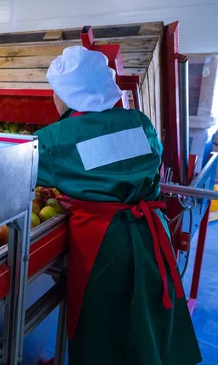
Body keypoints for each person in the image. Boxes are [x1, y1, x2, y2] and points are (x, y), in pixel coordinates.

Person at [35, 46, 201, 364]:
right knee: (147, 315)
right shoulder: (140, 122)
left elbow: (12, 174)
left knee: (102, 325)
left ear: (67, 94)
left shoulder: (54, 139)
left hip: (103, 243)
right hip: (151, 233)